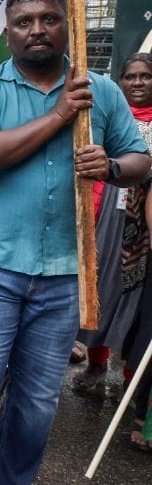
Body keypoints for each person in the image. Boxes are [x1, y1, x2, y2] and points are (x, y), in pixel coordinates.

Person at [0, 0, 150, 485]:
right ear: (9, 32)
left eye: (49, 19)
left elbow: (141, 161)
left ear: (67, 25)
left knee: (36, 403)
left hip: (64, 273)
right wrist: (60, 114)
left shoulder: (101, 91)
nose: (37, 29)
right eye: (24, 22)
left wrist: (113, 165)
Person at [74, 53, 152, 394]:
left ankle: (134, 376)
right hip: (107, 211)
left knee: (136, 296)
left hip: (145, 223)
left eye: (146, 77)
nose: (138, 83)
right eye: (131, 76)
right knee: (101, 285)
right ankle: (96, 361)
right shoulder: (107, 112)